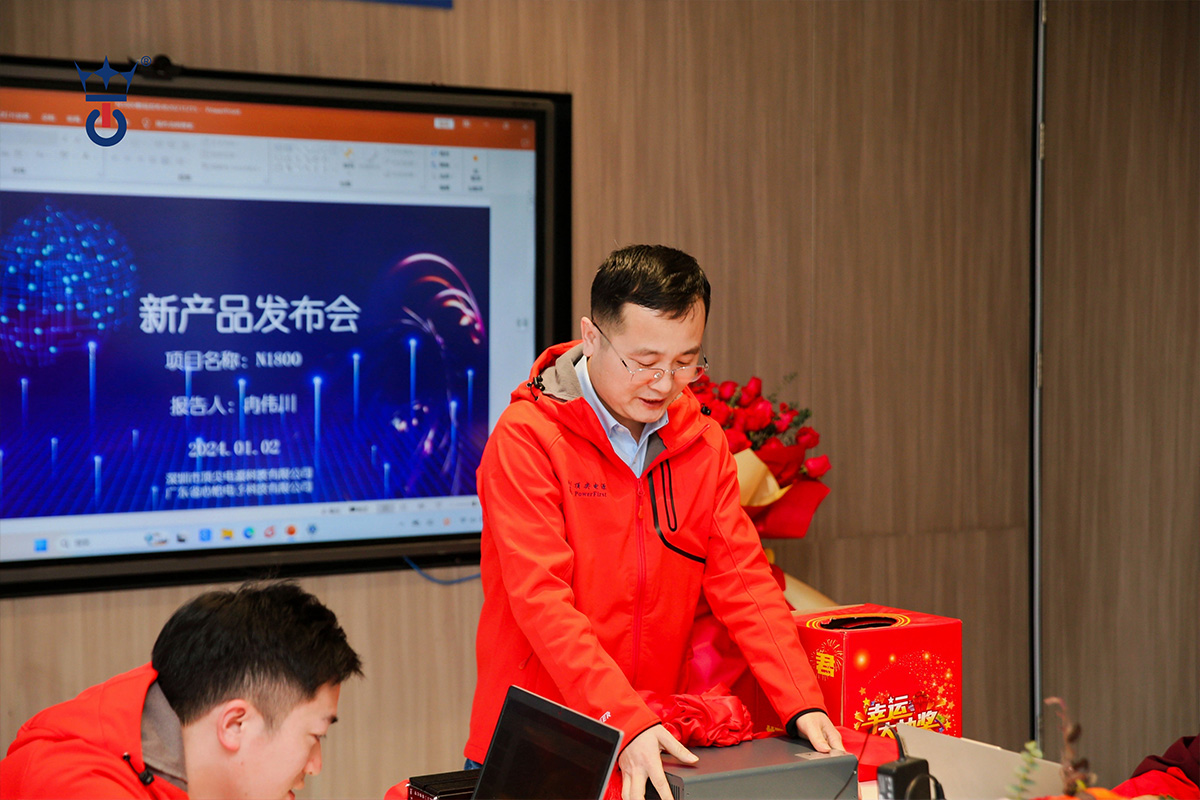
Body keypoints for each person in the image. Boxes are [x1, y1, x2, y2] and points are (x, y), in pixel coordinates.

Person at [466, 244, 843, 800]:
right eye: (645, 362)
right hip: (543, 739)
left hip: (652, 733)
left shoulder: (701, 442)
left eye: (685, 362)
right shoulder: (528, 439)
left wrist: (801, 702)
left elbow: (745, 582)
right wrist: (622, 717)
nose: (664, 384)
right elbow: (542, 602)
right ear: (592, 337)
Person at [0, 581, 362, 800]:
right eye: (315, 736)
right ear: (235, 724)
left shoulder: (166, 712)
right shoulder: (77, 786)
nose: (315, 766)